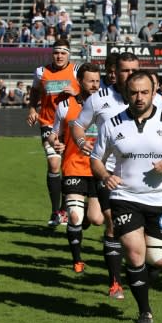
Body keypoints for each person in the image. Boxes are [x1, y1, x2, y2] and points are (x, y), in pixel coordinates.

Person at [90, 71, 162, 323]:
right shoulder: (112, 124)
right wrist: (105, 175)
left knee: (160, 260)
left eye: (144, 92)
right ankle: (144, 310)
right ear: (127, 93)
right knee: (135, 253)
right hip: (124, 197)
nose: (139, 97)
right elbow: (96, 159)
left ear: (154, 91)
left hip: (160, 200)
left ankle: (140, 278)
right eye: (134, 92)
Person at [71, 52, 138, 299]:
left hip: (141, 175)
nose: (130, 75)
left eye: (134, 70)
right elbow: (78, 124)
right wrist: (80, 140)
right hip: (107, 171)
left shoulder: (149, 96)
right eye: (125, 71)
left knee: (139, 235)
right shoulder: (99, 99)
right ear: (115, 72)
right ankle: (115, 283)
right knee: (111, 224)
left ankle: (142, 269)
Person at [48, 63, 104, 275]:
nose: (95, 85)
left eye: (98, 81)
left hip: (99, 169)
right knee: (74, 216)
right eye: (91, 81)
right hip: (73, 167)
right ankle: (77, 260)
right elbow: (54, 133)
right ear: (79, 81)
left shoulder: (106, 105)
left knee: (97, 219)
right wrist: (55, 142)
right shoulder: (65, 106)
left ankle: (83, 221)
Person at [27, 39, 81, 227]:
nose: (59, 56)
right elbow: (34, 91)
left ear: (69, 54)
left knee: (68, 167)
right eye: (56, 52)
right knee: (53, 164)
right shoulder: (41, 72)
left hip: (70, 123)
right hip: (48, 123)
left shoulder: (76, 71)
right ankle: (55, 211)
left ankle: (65, 210)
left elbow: (90, 92)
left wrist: (76, 92)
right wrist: (33, 109)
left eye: (63, 53)